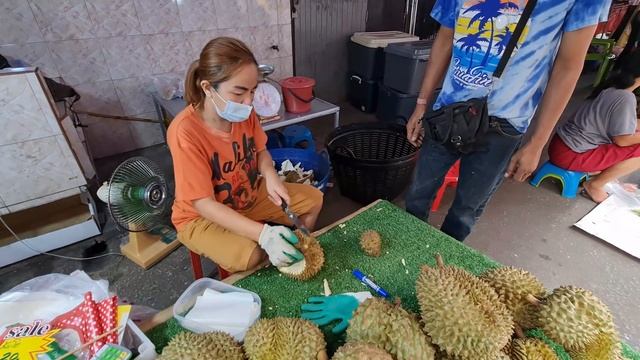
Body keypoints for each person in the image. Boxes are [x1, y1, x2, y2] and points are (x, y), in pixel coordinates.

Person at [405, 0, 612, 241]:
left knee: (466, 210)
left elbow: (568, 65)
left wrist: (537, 144)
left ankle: (447, 262)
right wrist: (421, 104)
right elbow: (445, 38)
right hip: (448, 111)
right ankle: (409, 247)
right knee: (418, 194)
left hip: (504, 124)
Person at [167, 37, 323, 273]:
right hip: (200, 216)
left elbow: (260, 151)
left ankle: (297, 258)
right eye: (239, 92)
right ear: (208, 88)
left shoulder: (244, 113)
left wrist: (270, 175)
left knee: (314, 200)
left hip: (247, 195)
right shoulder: (185, 132)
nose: (249, 101)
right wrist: (264, 234)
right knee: (250, 255)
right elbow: (203, 204)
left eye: (252, 91)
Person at [550, 63, 640, 203]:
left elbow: (630, 125)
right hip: (571, 154)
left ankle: (602, 177)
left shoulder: (611, 88)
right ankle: (594, 185)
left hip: (561, 146)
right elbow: (622, 140)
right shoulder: (625, 97)